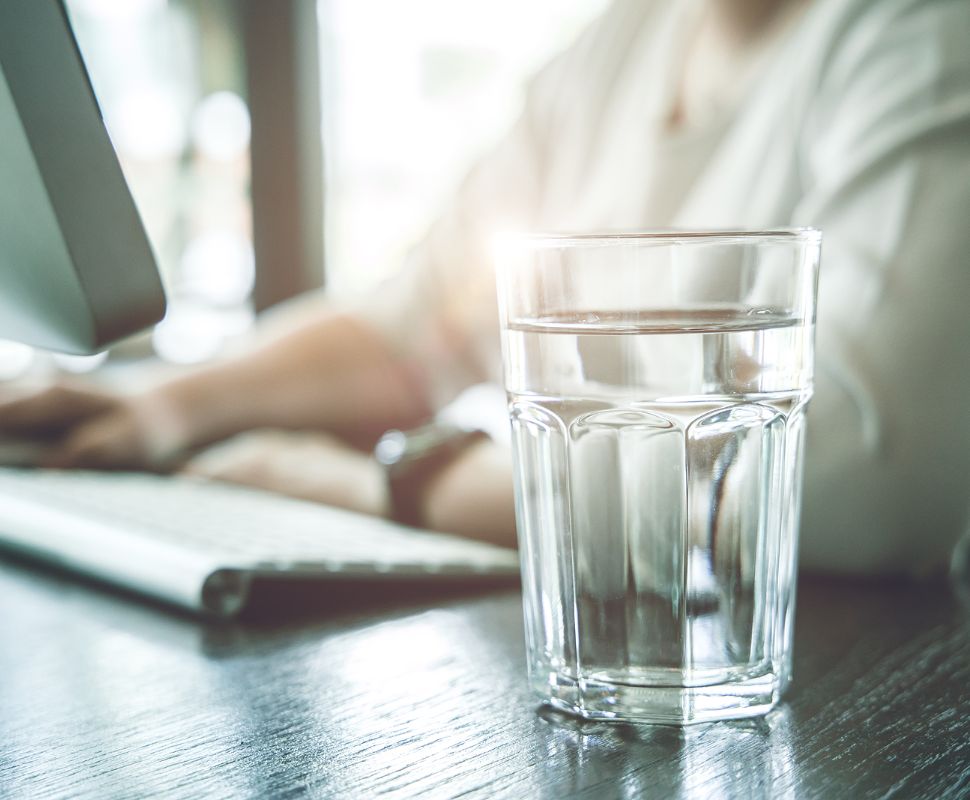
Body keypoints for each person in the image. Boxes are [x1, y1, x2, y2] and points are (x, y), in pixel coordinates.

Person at [1, 0, 968, 575]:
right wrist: (161, 409)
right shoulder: (628, 41)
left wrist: (382, 487)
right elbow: (419, 320)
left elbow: (849, 482)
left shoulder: (926, 39)